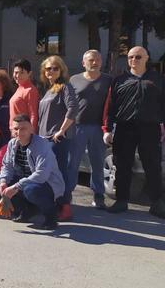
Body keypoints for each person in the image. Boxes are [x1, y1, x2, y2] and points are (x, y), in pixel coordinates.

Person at [103, 46, 165, 217]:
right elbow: (110, 107)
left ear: (146, 58)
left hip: (149, 128)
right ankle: (122, 200)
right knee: (122, 165)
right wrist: (107, 129)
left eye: (138, 57)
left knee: (152, 166)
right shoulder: (119, 80)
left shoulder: (157, 79)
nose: (133, 60)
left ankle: (157, 203)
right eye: (130, 57)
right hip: (124, 128)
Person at [0, 115, 64, 230]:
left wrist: (16, 187)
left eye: (23, 128)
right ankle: (27, 210)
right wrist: (3, 182)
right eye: (16, 129)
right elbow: (7, 166)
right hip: (25, 181)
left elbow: (41, 174)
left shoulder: (42, 145)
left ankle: (51, 215)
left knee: (29, 189)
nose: (19, 132)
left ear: (31, 129)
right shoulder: (12, 143)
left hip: (47, 184)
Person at [67, 50, 112, 210]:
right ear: (83, 63)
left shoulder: (108, 80)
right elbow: (69, 103)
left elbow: (111, 105)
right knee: (72, 162)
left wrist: (109, 127)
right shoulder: (74, 79)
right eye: (91, 60)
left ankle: (98, 195)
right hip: (77, 126)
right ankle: (68, 194)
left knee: (97, 163)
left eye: (98, 60)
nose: (95, 62)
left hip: (98, 128)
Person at [37, 56, 77, 221]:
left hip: (57, 139)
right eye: (48, 69)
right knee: (50, 174)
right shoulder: (50, 89)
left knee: (60, 173)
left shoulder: (65, 87)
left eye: (55, 68)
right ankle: (54, 205)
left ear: (61, 70)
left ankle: (65, 207)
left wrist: (61, 130)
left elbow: (73, 108)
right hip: (44, 138)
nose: (51, 71)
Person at [10, 59, 40, 132]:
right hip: (16, 132)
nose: (18, 75)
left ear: (29, 73)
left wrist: (31, 134)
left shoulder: (30, 90)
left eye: (22, 73)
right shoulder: (19, 89)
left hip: (24, 134)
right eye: (16, 72)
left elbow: (33, 114)